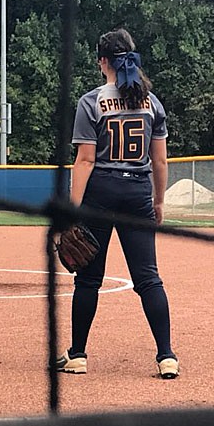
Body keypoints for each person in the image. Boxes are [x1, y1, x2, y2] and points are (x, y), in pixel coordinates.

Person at [56, 28, 178, 379]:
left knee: (88, 279)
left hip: (101, 192)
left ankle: (78, 355)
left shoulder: (91, 101)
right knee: (148, 278)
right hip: (138, 192)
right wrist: (158, 202)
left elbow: (85, 161)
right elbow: (160, 162)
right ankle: (166, 356)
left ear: (103, 62)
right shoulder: (151, 102)